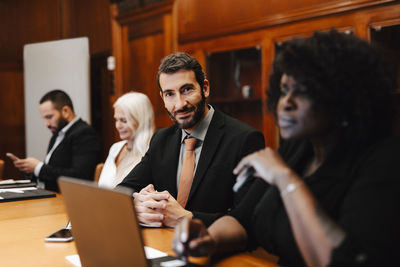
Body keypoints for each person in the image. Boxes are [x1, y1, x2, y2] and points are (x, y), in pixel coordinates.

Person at [173, 30, 400, 267]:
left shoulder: (385, 161)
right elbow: (242, 220)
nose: (286, 103)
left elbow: (346, 260)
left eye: (301, 92)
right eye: (284, 91)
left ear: (344, 100)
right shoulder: (297, 151)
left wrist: (285, 179)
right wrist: (208, 239)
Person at [119, 52, 265, 228]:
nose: (180, 104)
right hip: (164, 245)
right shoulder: (160, 139)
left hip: (215, 248)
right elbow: (121, 192)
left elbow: (248, 220)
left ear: (205, 88)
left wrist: (186, 218)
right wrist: (138, 205)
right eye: (170, 94)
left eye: (186, 90)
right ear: (162, 98)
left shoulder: (245, 140)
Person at [10, 89, 101, 192]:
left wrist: (38, 168)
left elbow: (80, 177)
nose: (47, 124)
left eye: (49, 117)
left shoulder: (85, 133)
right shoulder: (57, 133)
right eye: (44, 118)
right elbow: (52, 172)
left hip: (65, 199)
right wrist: (30, 169)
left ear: (66, 111)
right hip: (45, 193)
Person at [98, 92, 155, 188]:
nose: (118, 126)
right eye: (116, 120)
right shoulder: (116, 148)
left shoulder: (151, 152)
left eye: (124, 121)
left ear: (141, 121)